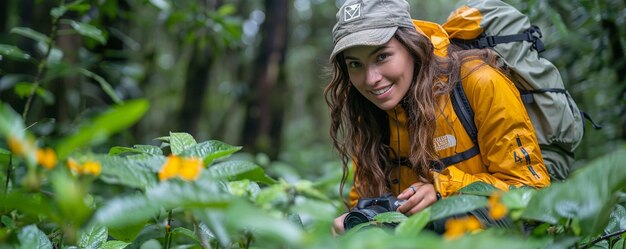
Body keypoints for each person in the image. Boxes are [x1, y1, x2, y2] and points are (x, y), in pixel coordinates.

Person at [325, 0, 551, 234]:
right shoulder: (370, 115)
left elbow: (531, 192)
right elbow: (366, 200)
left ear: (411, 46)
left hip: (494, 232)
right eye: (355, 64)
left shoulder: (479, 83)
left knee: (437, 222)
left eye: (382, 57)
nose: (371, 79)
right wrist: (355, 223)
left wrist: (443, 189)